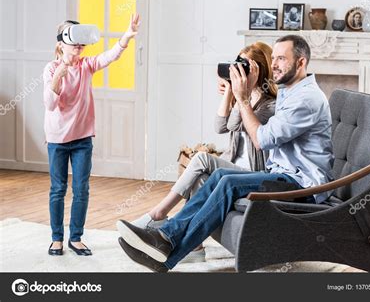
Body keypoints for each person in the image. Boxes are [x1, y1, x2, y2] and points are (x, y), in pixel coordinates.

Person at [116, 34, 334, 272]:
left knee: (228, 182)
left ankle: (166, 247)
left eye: (281, 59)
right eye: (273, 60)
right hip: (284, 175)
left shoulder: (306, 99)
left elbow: (262, 140)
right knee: (220, 177)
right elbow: (227, 125)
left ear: (301, 63)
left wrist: (242, 97)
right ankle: (165, 243)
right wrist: (235, 91)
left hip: (304, 186)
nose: (274, 66)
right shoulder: (289, 90)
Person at [122, 42, 277, 262]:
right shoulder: (243, 99)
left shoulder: (270, 106)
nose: (238, 71)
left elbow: (233, 124)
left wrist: (238, 93)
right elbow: (219, 126)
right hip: (233, 165)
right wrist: (229, 93)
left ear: (258, 71)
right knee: (199, 173)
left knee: (202, 159)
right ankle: (194, 248)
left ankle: (157, 215)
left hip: (252, 172)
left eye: (244, 67)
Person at [44, 14, 140, 256]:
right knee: (58, 189)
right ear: (61, 44)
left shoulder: (87, 65)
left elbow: (110, 56)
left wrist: (127, 36)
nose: (78, 45)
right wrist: (59, 75)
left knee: (81, 188)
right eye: (73, 40)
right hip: (57, 138)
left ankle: (75, 238)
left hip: (82, 139)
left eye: (81, 40)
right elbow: (50, 105)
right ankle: (57, 238)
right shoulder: (52, 68)